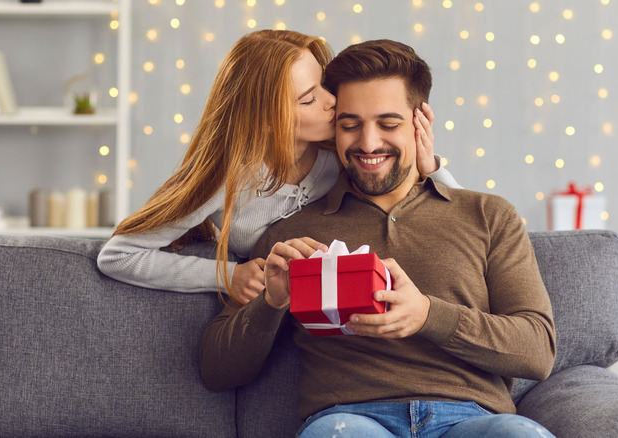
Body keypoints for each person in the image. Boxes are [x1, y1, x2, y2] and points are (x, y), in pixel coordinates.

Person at [200, 39, 557, 437]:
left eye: (388, 124)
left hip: (472, 419)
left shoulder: (487, 216)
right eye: (350, 125)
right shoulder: (292, 233)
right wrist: (271, 301)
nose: (368, 144)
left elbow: (538, 351)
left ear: (420, 123)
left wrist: (426, 314)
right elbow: (217, 370)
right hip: (350, 422)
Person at [96, 30, 459, 305]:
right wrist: (226, 276)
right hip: (269, 310)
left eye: (323, 85)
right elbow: (118, 256)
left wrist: (430, 166)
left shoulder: (343, 154)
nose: (332, 101)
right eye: (308, 98)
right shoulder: (228, 177)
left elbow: (465, 226)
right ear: (267, 120)